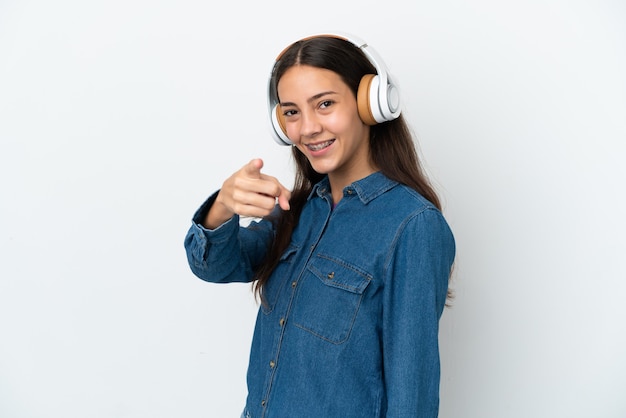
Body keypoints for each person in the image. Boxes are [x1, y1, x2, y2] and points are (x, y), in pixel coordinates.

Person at [184, 32, 456, 418]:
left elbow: (412, 395)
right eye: (292, 112)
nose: (307, 128)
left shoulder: (413, 226)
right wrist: (222, 207)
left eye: (325, 104)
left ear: (370, 104)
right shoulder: (294, 210)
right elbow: (215, 265)